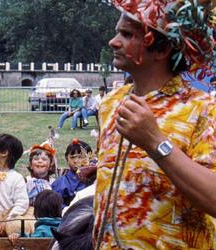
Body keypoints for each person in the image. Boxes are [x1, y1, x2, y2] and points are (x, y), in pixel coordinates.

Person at [93, 0, 216, 249]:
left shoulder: (203, 109)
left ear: (161, 50)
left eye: (127, 34)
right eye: (118, 32)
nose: (113, 41)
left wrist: (155, 142)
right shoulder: (110, 103)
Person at [52, 138, 95, 206]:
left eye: (80, 157)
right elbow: (56, 206)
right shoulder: (61, 182)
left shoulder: (96, 179)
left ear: (90, 158)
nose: (76, 161)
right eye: (72, 157)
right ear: (67, 159)